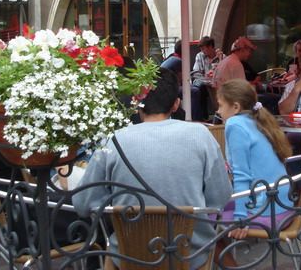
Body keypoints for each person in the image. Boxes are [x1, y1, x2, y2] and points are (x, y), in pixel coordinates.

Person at [73, 68, 232, 269]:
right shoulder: (201, 136)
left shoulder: (114, 141)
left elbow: (82, 203)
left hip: (129, 255)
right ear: (176, 104)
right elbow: (220, 198)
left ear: (137, 104)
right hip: (190, 254)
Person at [217, 79, 295, 239]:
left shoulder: (235, 124)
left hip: (267, 211)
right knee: (216, 206)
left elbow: (241, 176)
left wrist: (240, 218)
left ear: (236, 107)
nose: (218, 111)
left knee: (205, 216)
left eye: (220, 105)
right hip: (284, 204)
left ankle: (222, 255)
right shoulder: (256, 120)